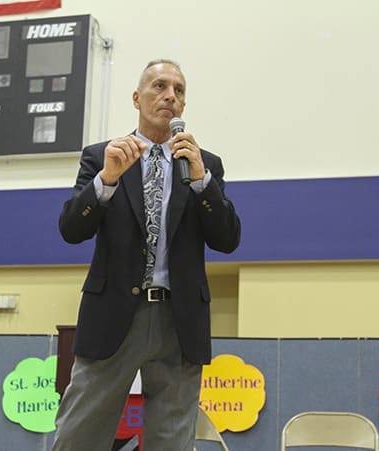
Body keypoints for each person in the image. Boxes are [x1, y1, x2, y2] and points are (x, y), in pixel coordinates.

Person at [52, 59, 241, 450]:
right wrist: (106, 181)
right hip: (114, 317)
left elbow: (227, 239)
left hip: (180, 319)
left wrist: (203, 182)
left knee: (171, 441)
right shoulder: (102, 156)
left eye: (179, 90)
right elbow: (72, 229)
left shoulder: (204, 165)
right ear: (137, 98)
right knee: (79, 437)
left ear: (183, 107)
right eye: (159, 86)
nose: (170, 95)